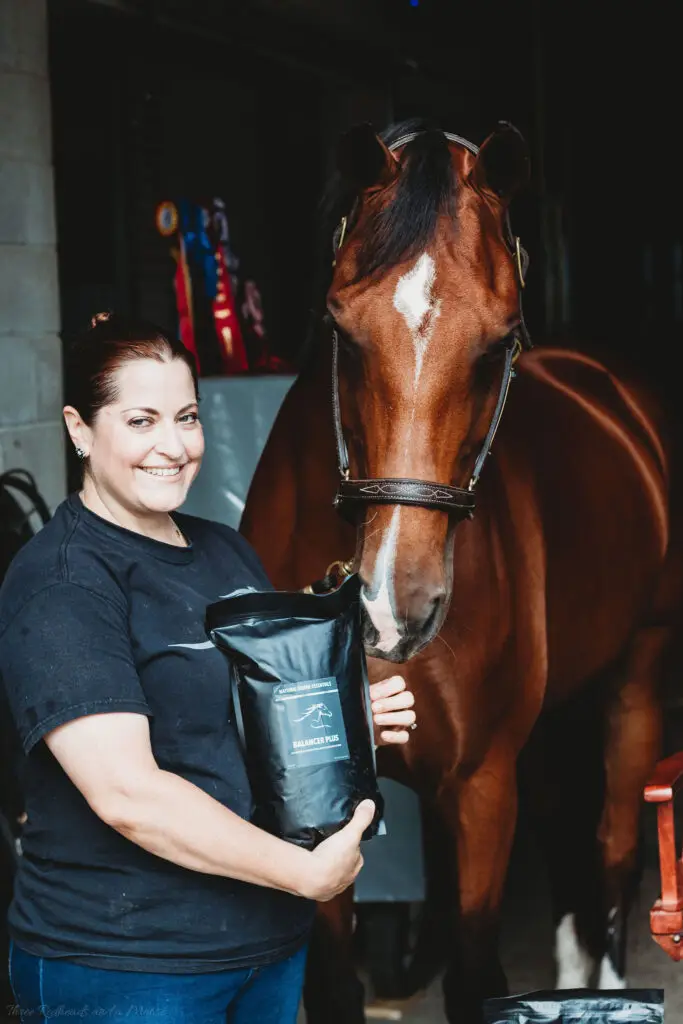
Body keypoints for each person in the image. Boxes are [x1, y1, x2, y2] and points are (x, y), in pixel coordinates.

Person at [0, 314, 417, 1023]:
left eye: (187, 417)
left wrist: (340, 723)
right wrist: (305, 874)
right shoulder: (65, 583)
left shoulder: (224, 552)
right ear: (79, 430)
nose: (173, 446)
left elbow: (244, 728)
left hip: (263, 947)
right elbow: (127, 795)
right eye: (141, 420)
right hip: (129, 966)